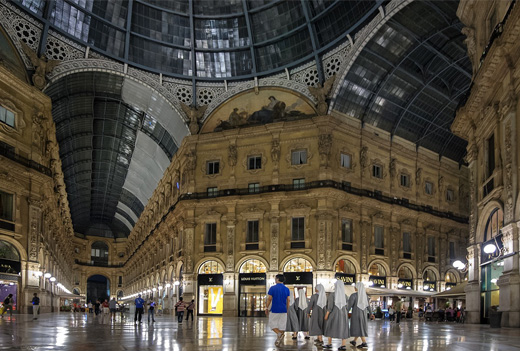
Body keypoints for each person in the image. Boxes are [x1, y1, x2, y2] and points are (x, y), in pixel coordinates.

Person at [265, 274, 291, 347]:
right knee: (282, 326)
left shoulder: (272, 288)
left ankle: (279, 335)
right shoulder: (286, 289)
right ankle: (279, 340)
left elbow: (269, 299)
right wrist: (288, 309)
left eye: (275, 279)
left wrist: (266, 308)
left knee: (272, 324)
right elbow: (288, 300)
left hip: (275, 309)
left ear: (277, 279)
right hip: (284, 310)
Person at [323, 280, 349, 350]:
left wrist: (326, 315)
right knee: (343, 328)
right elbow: (347, 307)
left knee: (330, 326)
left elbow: (330, 307)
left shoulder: (332, 295)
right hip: (344, 314)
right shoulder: (345, 296)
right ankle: (343, 345)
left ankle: (329, 343)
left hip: (334, 314)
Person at [349, 282, 370, 349]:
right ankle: (354, 341)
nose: (354, 288)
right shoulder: (365, 296)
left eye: (355, 287)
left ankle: (364, 342)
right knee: (360, 326)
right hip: (364, 314)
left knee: (359, 327)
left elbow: (349, 305)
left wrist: (345, 312)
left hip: (356, 314)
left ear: (358, 288)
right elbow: (368, 306)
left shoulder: (354, 295)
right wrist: (371, 313)